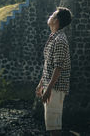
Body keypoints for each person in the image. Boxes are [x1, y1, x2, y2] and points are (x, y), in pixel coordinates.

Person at [36, 7, 72, 136]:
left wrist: (49, 89)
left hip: (56, 88)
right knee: (51, 125)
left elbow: (58, 67)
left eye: (53, 14)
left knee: (54, 126)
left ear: (56, 20)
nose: (50, 16)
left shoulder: (60, 40)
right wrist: (41, 84)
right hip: (50, 86)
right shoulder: (53, 37)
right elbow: (48, 65)